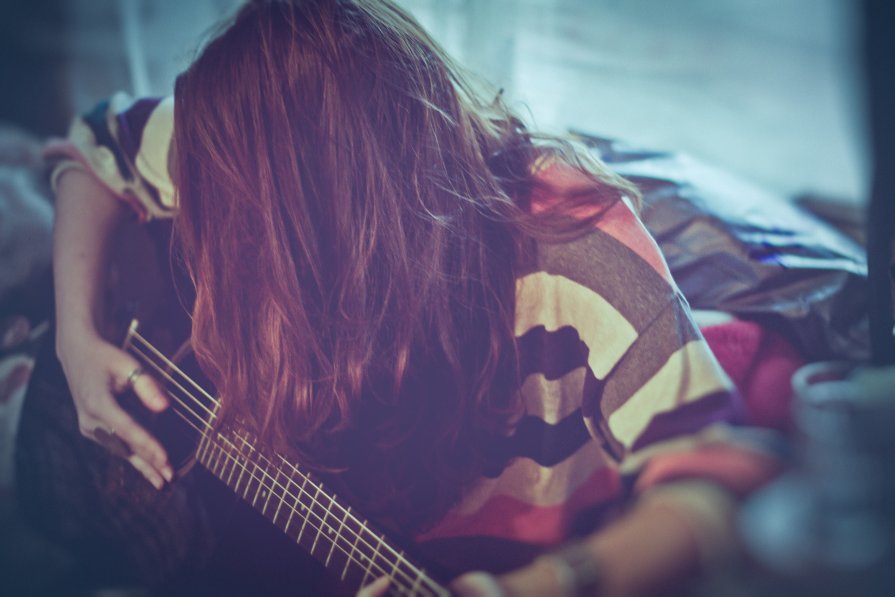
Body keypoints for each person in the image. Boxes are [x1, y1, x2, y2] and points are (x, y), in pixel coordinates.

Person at [20, 0, 778, 594]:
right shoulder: (246, 148)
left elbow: (718, 475)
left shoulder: (570, 248)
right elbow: (102, 146)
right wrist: (75, 340)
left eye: (242, 242)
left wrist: (536, 586)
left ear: (322, 232)